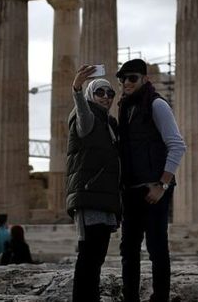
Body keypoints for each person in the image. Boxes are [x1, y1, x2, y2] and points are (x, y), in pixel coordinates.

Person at [117, 59, 186, 302]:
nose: (126, 82)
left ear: (145, 79)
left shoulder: (157, 105)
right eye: (123, 78)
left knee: (157, 249)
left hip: (155, 189)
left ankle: (160, 298)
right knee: (128, 251)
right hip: (131, 191)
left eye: (132, 78)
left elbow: (177, 146)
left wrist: (162, 185)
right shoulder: (125, 108)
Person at [67, 65, 122, 301]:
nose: (106, 98)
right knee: (88, 256)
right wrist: (77, 88)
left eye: (110, 94)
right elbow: (82, 112)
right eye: (100, 92)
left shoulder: (109, 124)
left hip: (105, 198)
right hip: (90, 196)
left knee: (97, 256)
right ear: (91, 95)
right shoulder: (87, 119)